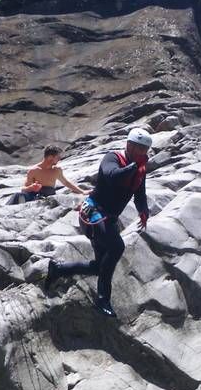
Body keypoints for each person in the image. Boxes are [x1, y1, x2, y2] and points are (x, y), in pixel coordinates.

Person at [44, 128, 153, 318]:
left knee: (99, 266)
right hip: (93, 213)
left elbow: (139, 193)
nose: (141, 152)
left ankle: (58, 269)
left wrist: (143, 210)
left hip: (108, 217)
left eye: (144, 149)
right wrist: (135, 165)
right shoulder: (112, 158)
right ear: (128, 145)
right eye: (138, 148)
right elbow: (112, 176)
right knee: (117, 247)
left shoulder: (140, 168)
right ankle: (103, 300)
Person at [16, 145, 88, 203]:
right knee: (18, 195)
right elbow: (24, 189)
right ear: (50, 157)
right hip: (35, 196)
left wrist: (82, 192)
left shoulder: (57, 170)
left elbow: (66, 183)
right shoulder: (34, 170)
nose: (59, 159)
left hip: (50, 196)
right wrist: (31, 187)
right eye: (58, 157)